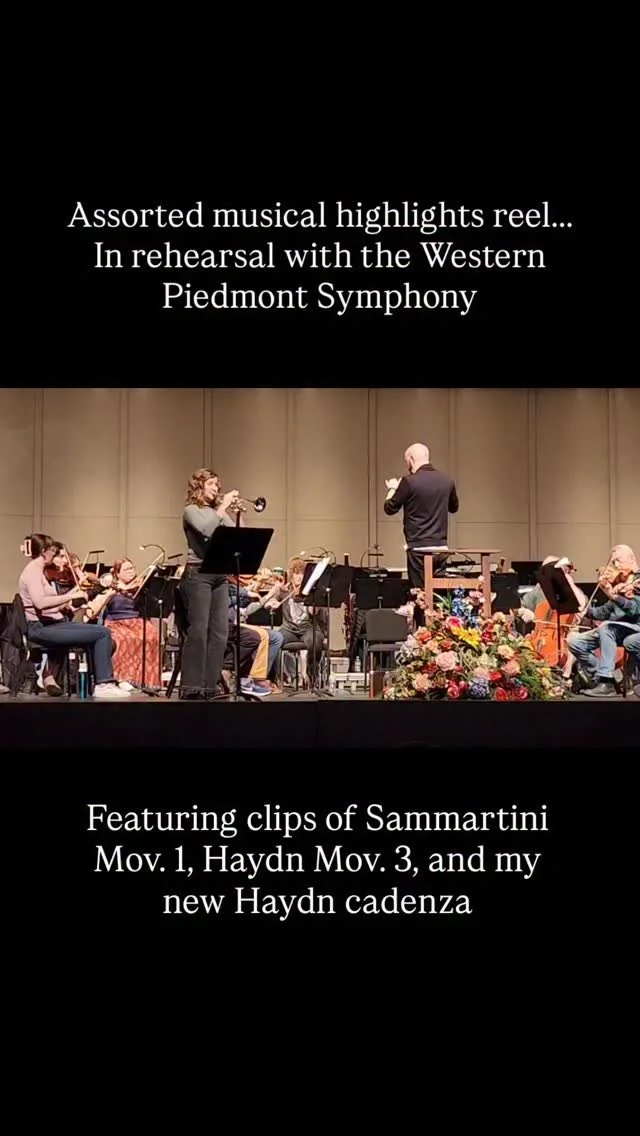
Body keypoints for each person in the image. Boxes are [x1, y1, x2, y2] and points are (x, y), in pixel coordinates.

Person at [17, 533, 130, 699]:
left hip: (51, 624)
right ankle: (104, 684)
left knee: (104, 636)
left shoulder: (38, 570)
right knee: (102, 633)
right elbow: (40, 603)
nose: (55, 554)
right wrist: (70, 596)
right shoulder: (33, 571)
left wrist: (70, 601)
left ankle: (97, 682)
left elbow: (48, 605)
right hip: (41, 629)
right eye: (53, 551)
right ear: (44, 551)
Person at [179, 468, 239, 699]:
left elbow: (238, 535)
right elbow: (206, 530)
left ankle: (210, 686)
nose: (216, 488)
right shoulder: (191, 510)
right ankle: (192, 687)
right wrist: (222, 508)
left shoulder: (217, 512)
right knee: (199, 631)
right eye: (211, 483)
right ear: (199, 486)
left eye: (217, 484)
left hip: (219, 574)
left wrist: (233, 513)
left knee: (220, 633)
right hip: (198, 574)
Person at [383, 443, 459, 619]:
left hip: (418, 549)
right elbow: (453, 508)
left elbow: (389, 508)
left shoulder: (409, 482)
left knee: (420, 596)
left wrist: (393, 488)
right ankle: (441, 629)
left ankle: (422, 631)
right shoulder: (447, 481)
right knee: (439, 597)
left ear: (411, 459)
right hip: (441, 548)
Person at [566, 544, 640, 698]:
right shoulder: (622, 583)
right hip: (616, 629)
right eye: (613, 562)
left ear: (632, 559)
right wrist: (585, 611)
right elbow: (604, 611)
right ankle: (601, 678)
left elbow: (634, 610)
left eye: (619, 560)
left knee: (607, 628)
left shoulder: (637, 581)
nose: (616, 565)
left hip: (635, 628)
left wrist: (615, 596)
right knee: (575, 642)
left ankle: (605, 681)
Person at [85, 557, 161, 688]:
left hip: (137, 622)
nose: (131, 571)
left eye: (132, 568)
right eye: (126, 569)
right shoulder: (111, 589)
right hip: (117, 623)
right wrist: (111, 593)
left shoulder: (139, 588)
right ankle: (123, 678)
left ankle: (146, 679)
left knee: (151, 635)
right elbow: (92, 613)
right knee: (124, 639)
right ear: (117, 574)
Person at [279, 557, 327, 685]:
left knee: (315, 639)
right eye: (296, 573)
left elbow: (313, 612)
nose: (299, 577)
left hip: (308, 628)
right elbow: (271, 603)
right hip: (289, 629)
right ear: (291, 575)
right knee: (274, 639)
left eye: (302, 574)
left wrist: (312, 597)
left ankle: (312, 673)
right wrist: (272, 602)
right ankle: (279, 677)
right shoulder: (285, 591)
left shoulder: (311, 592)